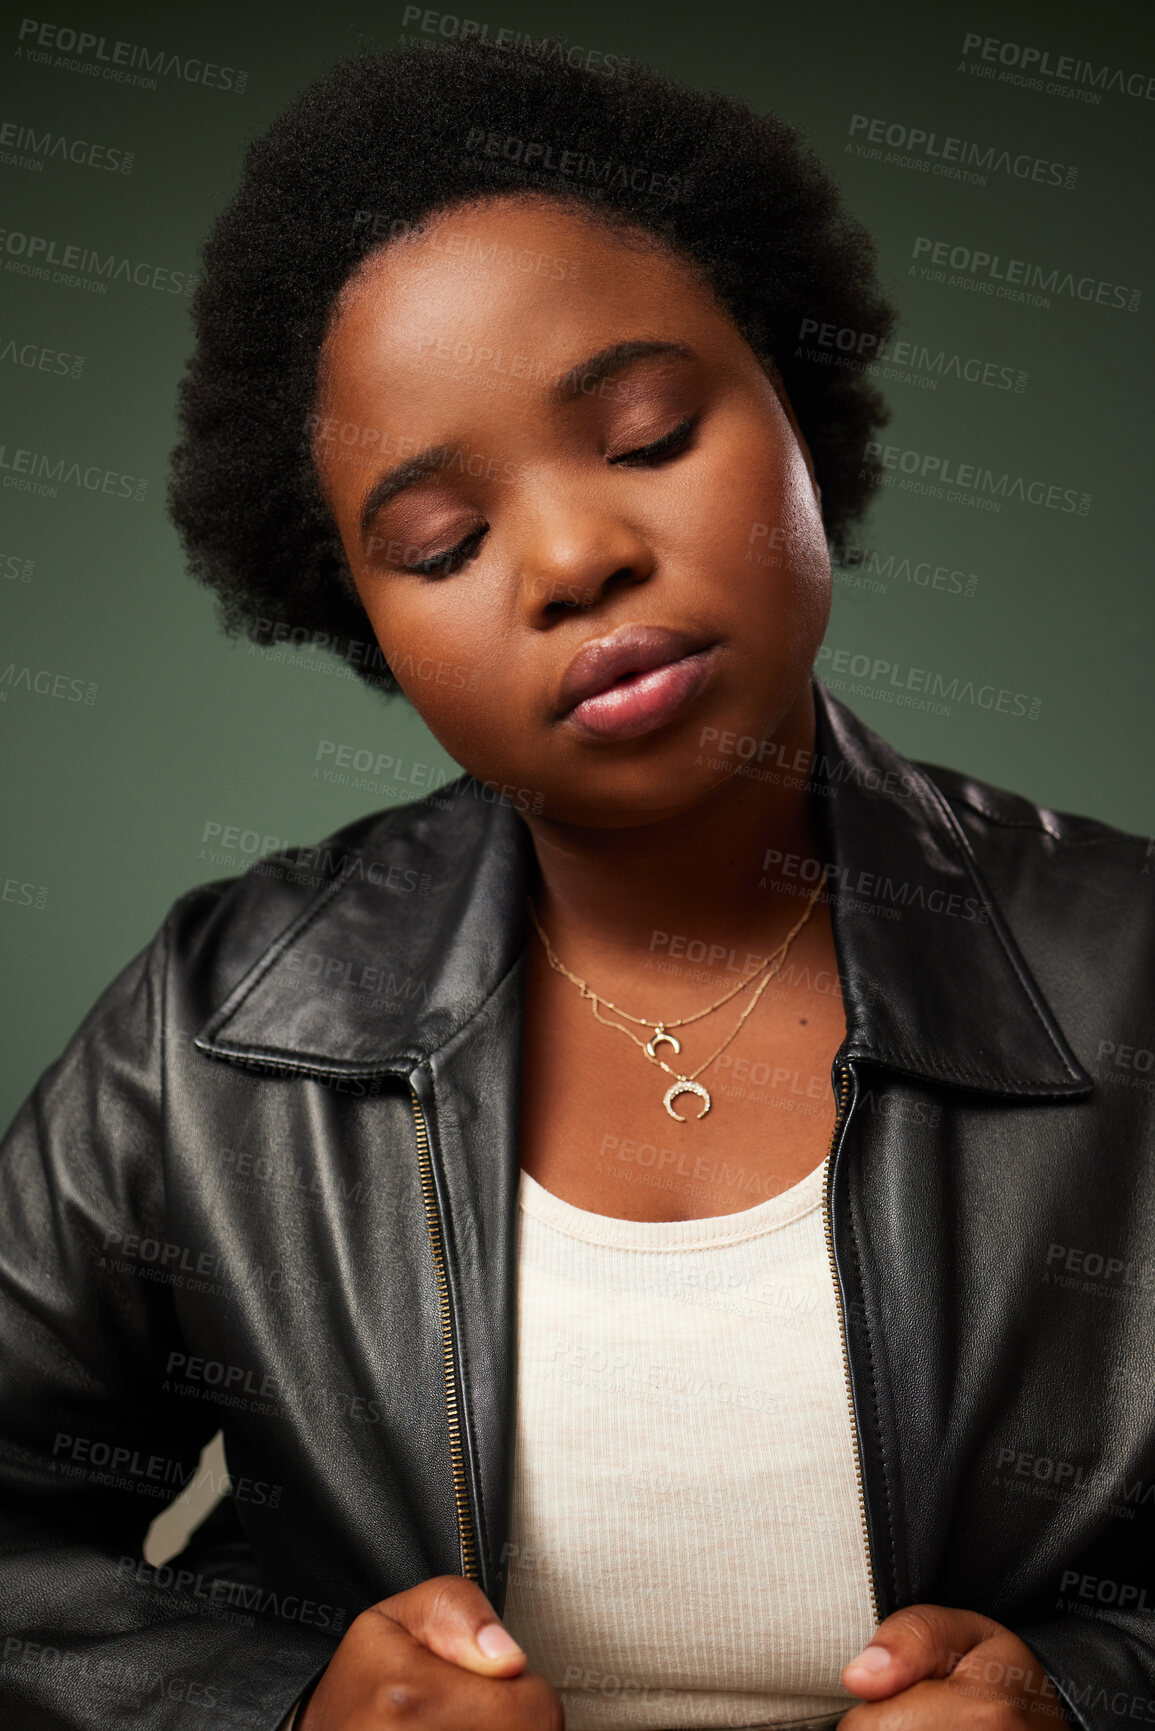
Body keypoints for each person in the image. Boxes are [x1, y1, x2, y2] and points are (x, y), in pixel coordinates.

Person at [1, 33, 1152, 1731]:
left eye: (648, 431)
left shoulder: (1128, 973)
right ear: (365, 626)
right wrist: (292, 1712)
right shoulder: (220, 1026)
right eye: (442, 545)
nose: (569, 557)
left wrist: (1087, 1700)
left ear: (800, 419)